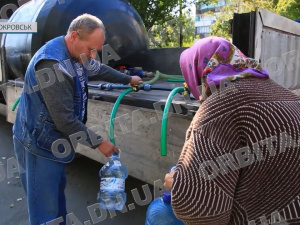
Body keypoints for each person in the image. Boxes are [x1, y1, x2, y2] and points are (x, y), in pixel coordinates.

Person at [12, 14, 142, 225]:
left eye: (96, 51)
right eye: (91, 49)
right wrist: (99, 142)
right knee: (45, 212)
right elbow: (65, 121)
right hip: (38, 145)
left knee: (57, 203)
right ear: (74, 36)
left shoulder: (78, 54)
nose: (93, 56)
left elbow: (98, 69)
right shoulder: (52, 65)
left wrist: (128, 79)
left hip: (54, 142)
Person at [164, 36, 300, 224]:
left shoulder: (219, 106)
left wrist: (178, 185)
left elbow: (198, 208)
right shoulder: (283, 92)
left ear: (195, 71)